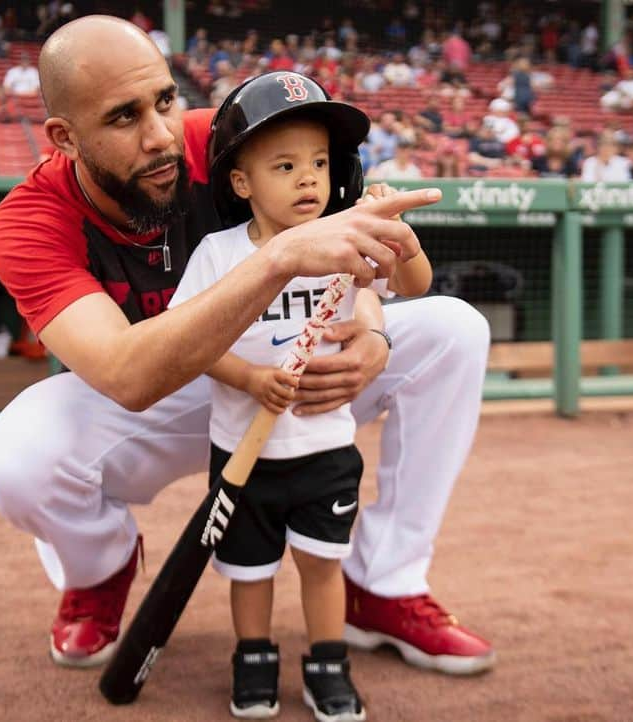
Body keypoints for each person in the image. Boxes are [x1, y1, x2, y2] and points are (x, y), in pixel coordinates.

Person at [0, 15, 494, 679]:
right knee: (19, 456)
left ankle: (383, 585)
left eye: (164, 99)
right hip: (154, 399)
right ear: (65, 137)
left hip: (286, 371)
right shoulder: (26, 222)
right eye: (124, 117)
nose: (160, 135)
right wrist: (276, 261)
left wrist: (373, 328)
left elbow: (342, 235)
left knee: (453, 329)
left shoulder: (222, 141)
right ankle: (99, 568)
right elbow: (127, 377)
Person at [168, 71, 432, 722]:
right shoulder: (219, 253)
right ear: (241, 182)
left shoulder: (348, 238)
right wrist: (251, 379)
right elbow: (189, 343)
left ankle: (326, 662)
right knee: (249, 573)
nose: (309, 178)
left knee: (321, 567)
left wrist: (404, 240)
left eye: (318, 162)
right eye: (284, 166)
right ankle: (253, 658)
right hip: (241, 452)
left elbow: (416, 285)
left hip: (324, 448)